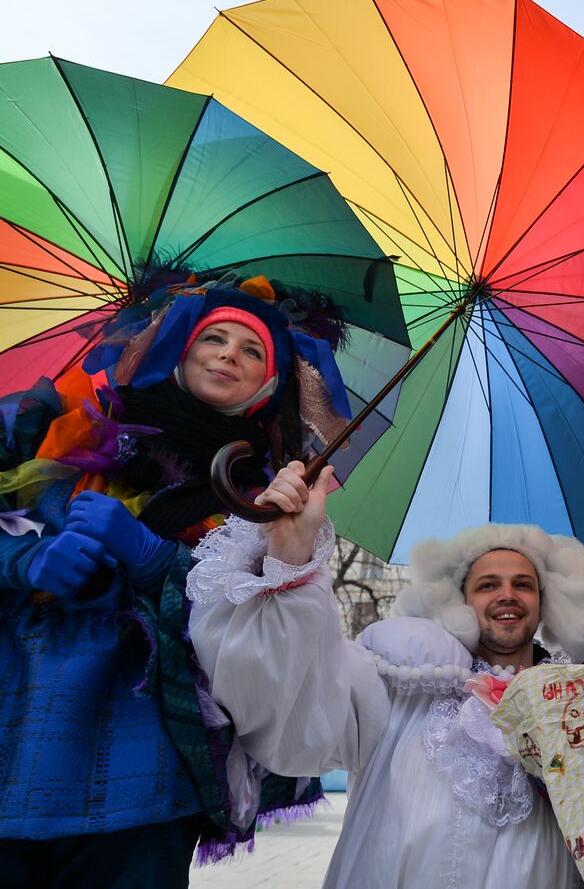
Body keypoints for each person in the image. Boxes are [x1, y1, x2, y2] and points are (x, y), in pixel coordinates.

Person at [0, 272, 348, 885]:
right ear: (179, 347)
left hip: (140, 776)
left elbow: (260, 633)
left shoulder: (269, 495)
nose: (228, 356)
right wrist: (24, 562)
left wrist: (155, 556)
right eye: (214, 338)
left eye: (252, 352)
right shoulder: (54, 434)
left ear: (267, 384)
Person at [186, 484, 584, 888]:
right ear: (458, 602)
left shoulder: (581, 705)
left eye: (523, 584)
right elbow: (291, 698)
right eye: (487, 585)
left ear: (545, 601)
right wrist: (289, 551)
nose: (507, 595)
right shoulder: (399, 680)